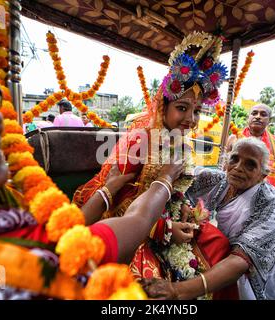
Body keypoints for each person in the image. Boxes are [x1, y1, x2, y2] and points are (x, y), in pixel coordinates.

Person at [0, 26, 183, 299]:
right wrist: (163, 182)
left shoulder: (1, 197)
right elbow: (92, 241)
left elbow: (64, 236)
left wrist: (113, 192)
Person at [74, 32, 239, 299]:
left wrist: (184, 210)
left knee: (219, 243)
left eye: (196, 111)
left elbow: (177, 189)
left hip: (169, 219)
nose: (190, 119)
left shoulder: (181, 142)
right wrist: (162, 229)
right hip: (133, 227)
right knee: (146, 283)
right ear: (164, 107)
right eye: (182, 108)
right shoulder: (141, 140)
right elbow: (116, 198)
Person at [142, 138, 275, 300]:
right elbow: (181, 186)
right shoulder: (217, 180)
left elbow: (242, 260)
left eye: (250, 164)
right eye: (235, 159)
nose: (238, 167)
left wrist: (177, 291)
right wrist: (184, 203)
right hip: (236, 255)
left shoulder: (272, 202)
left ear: (263, 175)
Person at [226, 104, 275, 190]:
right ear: (247, 118)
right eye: (254, 113)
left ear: (269, 120)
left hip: (268, 190)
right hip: (237, 188)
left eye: (263, 114)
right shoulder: (234, 138)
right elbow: (226, 165)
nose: (258, 117)